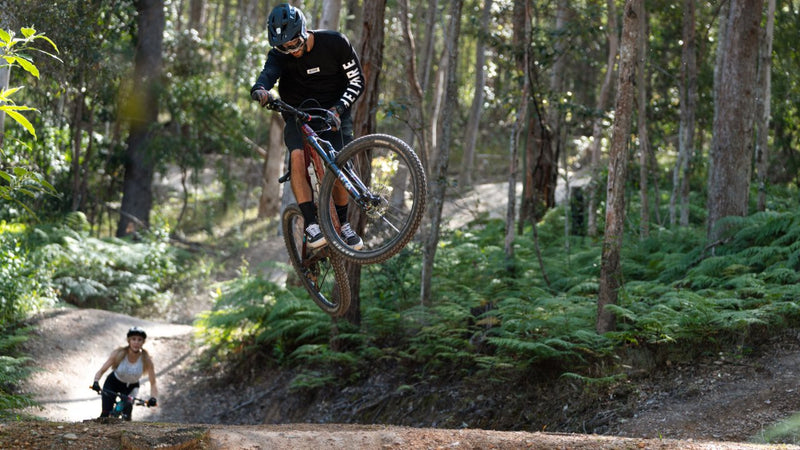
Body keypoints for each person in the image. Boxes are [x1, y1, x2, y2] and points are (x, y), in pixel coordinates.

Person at [250, 3, 365, 250]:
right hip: (297, 113)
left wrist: (339, 109)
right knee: (297, 157)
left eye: (294, 42)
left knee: (339, 167)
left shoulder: (335, 44)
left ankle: (344, 225)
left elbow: (357, 81)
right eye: (284, 46)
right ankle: (312, 224)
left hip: (335, 110)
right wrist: (260, 89)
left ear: (304, 30)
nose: (290, 49)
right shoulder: (279, 55)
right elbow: (268, 74)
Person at [91, 326, 158, 420]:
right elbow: (102, 370)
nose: (136, 342)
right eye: (133, 339)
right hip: (113, 383)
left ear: (143, 342)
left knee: (127, 410)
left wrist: (153, 398)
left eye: (140, 340)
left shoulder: (146, 359)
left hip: (131, 386)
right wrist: (96, 382)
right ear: (129, 341)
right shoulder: (118, 354)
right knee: (105, 413)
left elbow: (153, 382)